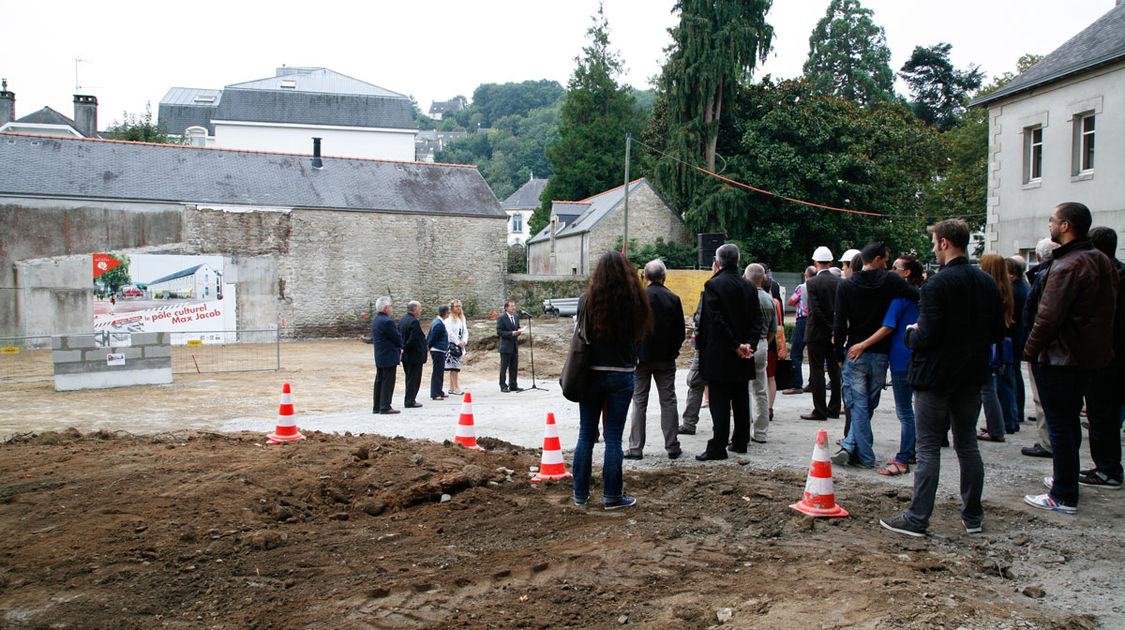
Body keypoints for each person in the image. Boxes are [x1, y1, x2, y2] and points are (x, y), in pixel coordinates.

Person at [880, 219, 1003, 537]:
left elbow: (928, 336)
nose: (933, 246)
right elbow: (998, 332)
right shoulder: (986, 282)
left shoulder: (937, 285)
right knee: (967, 444)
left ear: (945, 243)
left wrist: (911, 335)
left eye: (935, 241)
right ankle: (973, 515)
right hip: (972, 374)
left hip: (936, 376)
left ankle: (918, 517)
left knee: (929, 446)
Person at [1022, 202, 1117, 514]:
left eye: (1053, 220)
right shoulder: (1099, 260)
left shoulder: (1068, 265)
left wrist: (1030, 350)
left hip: (1060, 359)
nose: (1050, 224)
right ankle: (1066, 480)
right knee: (1070, 424)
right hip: (1088, 358)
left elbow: (1048, 318)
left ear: (1065, 226)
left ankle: (1062, 494)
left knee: (1061, 425)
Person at [571, 251, 653, 510]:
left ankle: (580, 494)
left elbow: (580, 335)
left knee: (586, 434)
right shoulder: (635, 301)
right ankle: (612, 496)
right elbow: (639, 337)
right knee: (614, 437)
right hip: (622, 374)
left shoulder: (587, 300)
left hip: (591, 373)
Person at [832, 241, 919, 469]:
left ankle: (861, 453)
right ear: (878, 258)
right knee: (868, 404)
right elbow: (916, 295)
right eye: (887, 259)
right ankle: (853, 447)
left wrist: (837, 353)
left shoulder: (847, 285)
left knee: (858, 404)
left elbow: (839, 323)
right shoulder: (891, 281)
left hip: (854, 350)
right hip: (881, 352)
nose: (889, 264)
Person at [695, 244, 762, 460]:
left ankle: (718, 446)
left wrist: (735, 345)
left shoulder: (713, 285)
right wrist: (748, 344)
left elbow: (715, 321)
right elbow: (757, 320)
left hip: (721, 354)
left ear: (718, 262)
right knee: (741, 398)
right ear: (738, 261)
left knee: (720, 401)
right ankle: (741, 441)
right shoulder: (750, 287)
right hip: (744, 353)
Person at [625, 260, 685, 460]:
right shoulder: (673, 299)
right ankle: (672, 446)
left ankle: (635, 448)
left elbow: (630, 330)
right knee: (668, 400)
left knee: (639, 401)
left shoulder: (637, 299)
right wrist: (673, 352)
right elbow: (680, 333)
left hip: (641, 358)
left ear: (646, 277)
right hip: (665, 359)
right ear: (664, 277)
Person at [1083, 226, 1124, 489]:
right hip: (1112, 354)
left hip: (1106, 357)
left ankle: (1107, 470)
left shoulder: (1103, 277)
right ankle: (1106, 466)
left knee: (1102, 416)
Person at [1020, 238, 1060, 458]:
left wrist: (1031, 347)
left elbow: (1042, 317)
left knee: (1044, 400)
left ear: (1038, 257)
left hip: (1047, 349)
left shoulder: (1046, 277)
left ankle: (1048, 443)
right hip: (1055, 349)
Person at [976, 255, 1016, 442]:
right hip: (998, 341)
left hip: (987, 343)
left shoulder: (990, 290)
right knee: (989, 387)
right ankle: (999, 425)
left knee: (986, 388)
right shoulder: (1006, 289)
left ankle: (996, 428)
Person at [801, 246, 841, 421]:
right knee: (834, 370)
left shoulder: (812, 283)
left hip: (816, 332)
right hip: (835, 332)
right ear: (831, 262)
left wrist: (826, 325)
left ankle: (820, 410)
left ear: (815, 263)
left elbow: (815, 310)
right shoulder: (839, 282)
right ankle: (834, 408)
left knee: (816, 370)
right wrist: (834, 328)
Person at [745, 263, 775, 444]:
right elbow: (774, 329)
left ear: (746, 277)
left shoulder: (743, 298)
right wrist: (764, 343)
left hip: (746, 345)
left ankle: (743, 429)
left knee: (743, 390)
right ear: (763, 279)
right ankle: (761, 432)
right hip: (763, 344)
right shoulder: (769, 299)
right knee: (760, 390)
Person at [1004, 256, 1029, 434]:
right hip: (1019, 336)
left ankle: (1014, 414)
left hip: (1012, 337)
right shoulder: (1022, 287)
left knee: (1010, 376)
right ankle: (1016, 412)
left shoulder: (1015, 290)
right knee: (1014, 374)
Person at [783, 266, 815, 395]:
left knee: (796, 353)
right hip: (816, 321)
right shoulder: (820, 286)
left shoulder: (802, 287)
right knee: (814, 353)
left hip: (803, 320)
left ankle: (797, 384)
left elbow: (791, 301)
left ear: (806, 276)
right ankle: (813, 382)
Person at [678, 292, 706, 436]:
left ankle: (689, 423)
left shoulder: (710, 291)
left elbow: (699, 321)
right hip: (735, 347)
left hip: (707, 347)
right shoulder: (744, 289)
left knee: (695, 382)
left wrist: (698, 345)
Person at [371, 296, 404, 415]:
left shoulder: (376, 320)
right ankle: (385, 405)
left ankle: (377, 405)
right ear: (386, 308)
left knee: (379, 379)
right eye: (390, 306)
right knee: (388, 380)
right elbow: (396, 336)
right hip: (389, 354)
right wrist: (401, 346)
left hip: (380, 354)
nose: (391, 308)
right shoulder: (387, 321)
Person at [397, 301, 427, 409]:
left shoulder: (403, 319)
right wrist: (405, 348)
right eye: (419, 309)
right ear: (414, 310)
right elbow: (414, 338)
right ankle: (410, 400)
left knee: (409, 378)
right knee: (413, 379)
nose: (420, 311)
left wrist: (402, 347)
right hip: (413, 355)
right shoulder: (413, 321)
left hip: (406, 355)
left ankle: (410, 399)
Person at [496, 300, 523, 392]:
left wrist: (519, 331)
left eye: (514, 306)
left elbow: (517, 327)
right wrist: (511, 333)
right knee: (504, 367)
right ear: (506, 308)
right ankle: (503, 385)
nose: (514, 308)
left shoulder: (516, 317)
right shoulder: (502, 318)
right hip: (506, 346)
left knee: (514, 367)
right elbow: (499, 332)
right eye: (511, 306)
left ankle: (513, 384)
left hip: (514, 345)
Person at [443, 300, 468, 396]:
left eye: (460, 306)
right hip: (452, 345)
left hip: (460, 345)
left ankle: (452, 387)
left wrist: (464, 341)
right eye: (456, 306)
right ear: (452, 308)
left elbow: (465, 331)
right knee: (454, 368)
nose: (458, 308)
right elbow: (449, 333)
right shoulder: (449, 319)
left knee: (455, 367)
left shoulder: (461, 318)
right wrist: (458, 342)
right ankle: (456, 387)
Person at [426, 304, 450, 401]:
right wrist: (429, 346)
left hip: (439, 349)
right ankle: (435, 393)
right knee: (437, 372)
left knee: (440, 372)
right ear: (446, 314)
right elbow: (433, 338)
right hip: (437, 350)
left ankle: (439, 390)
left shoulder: (438, 322)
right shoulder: (439, 324)